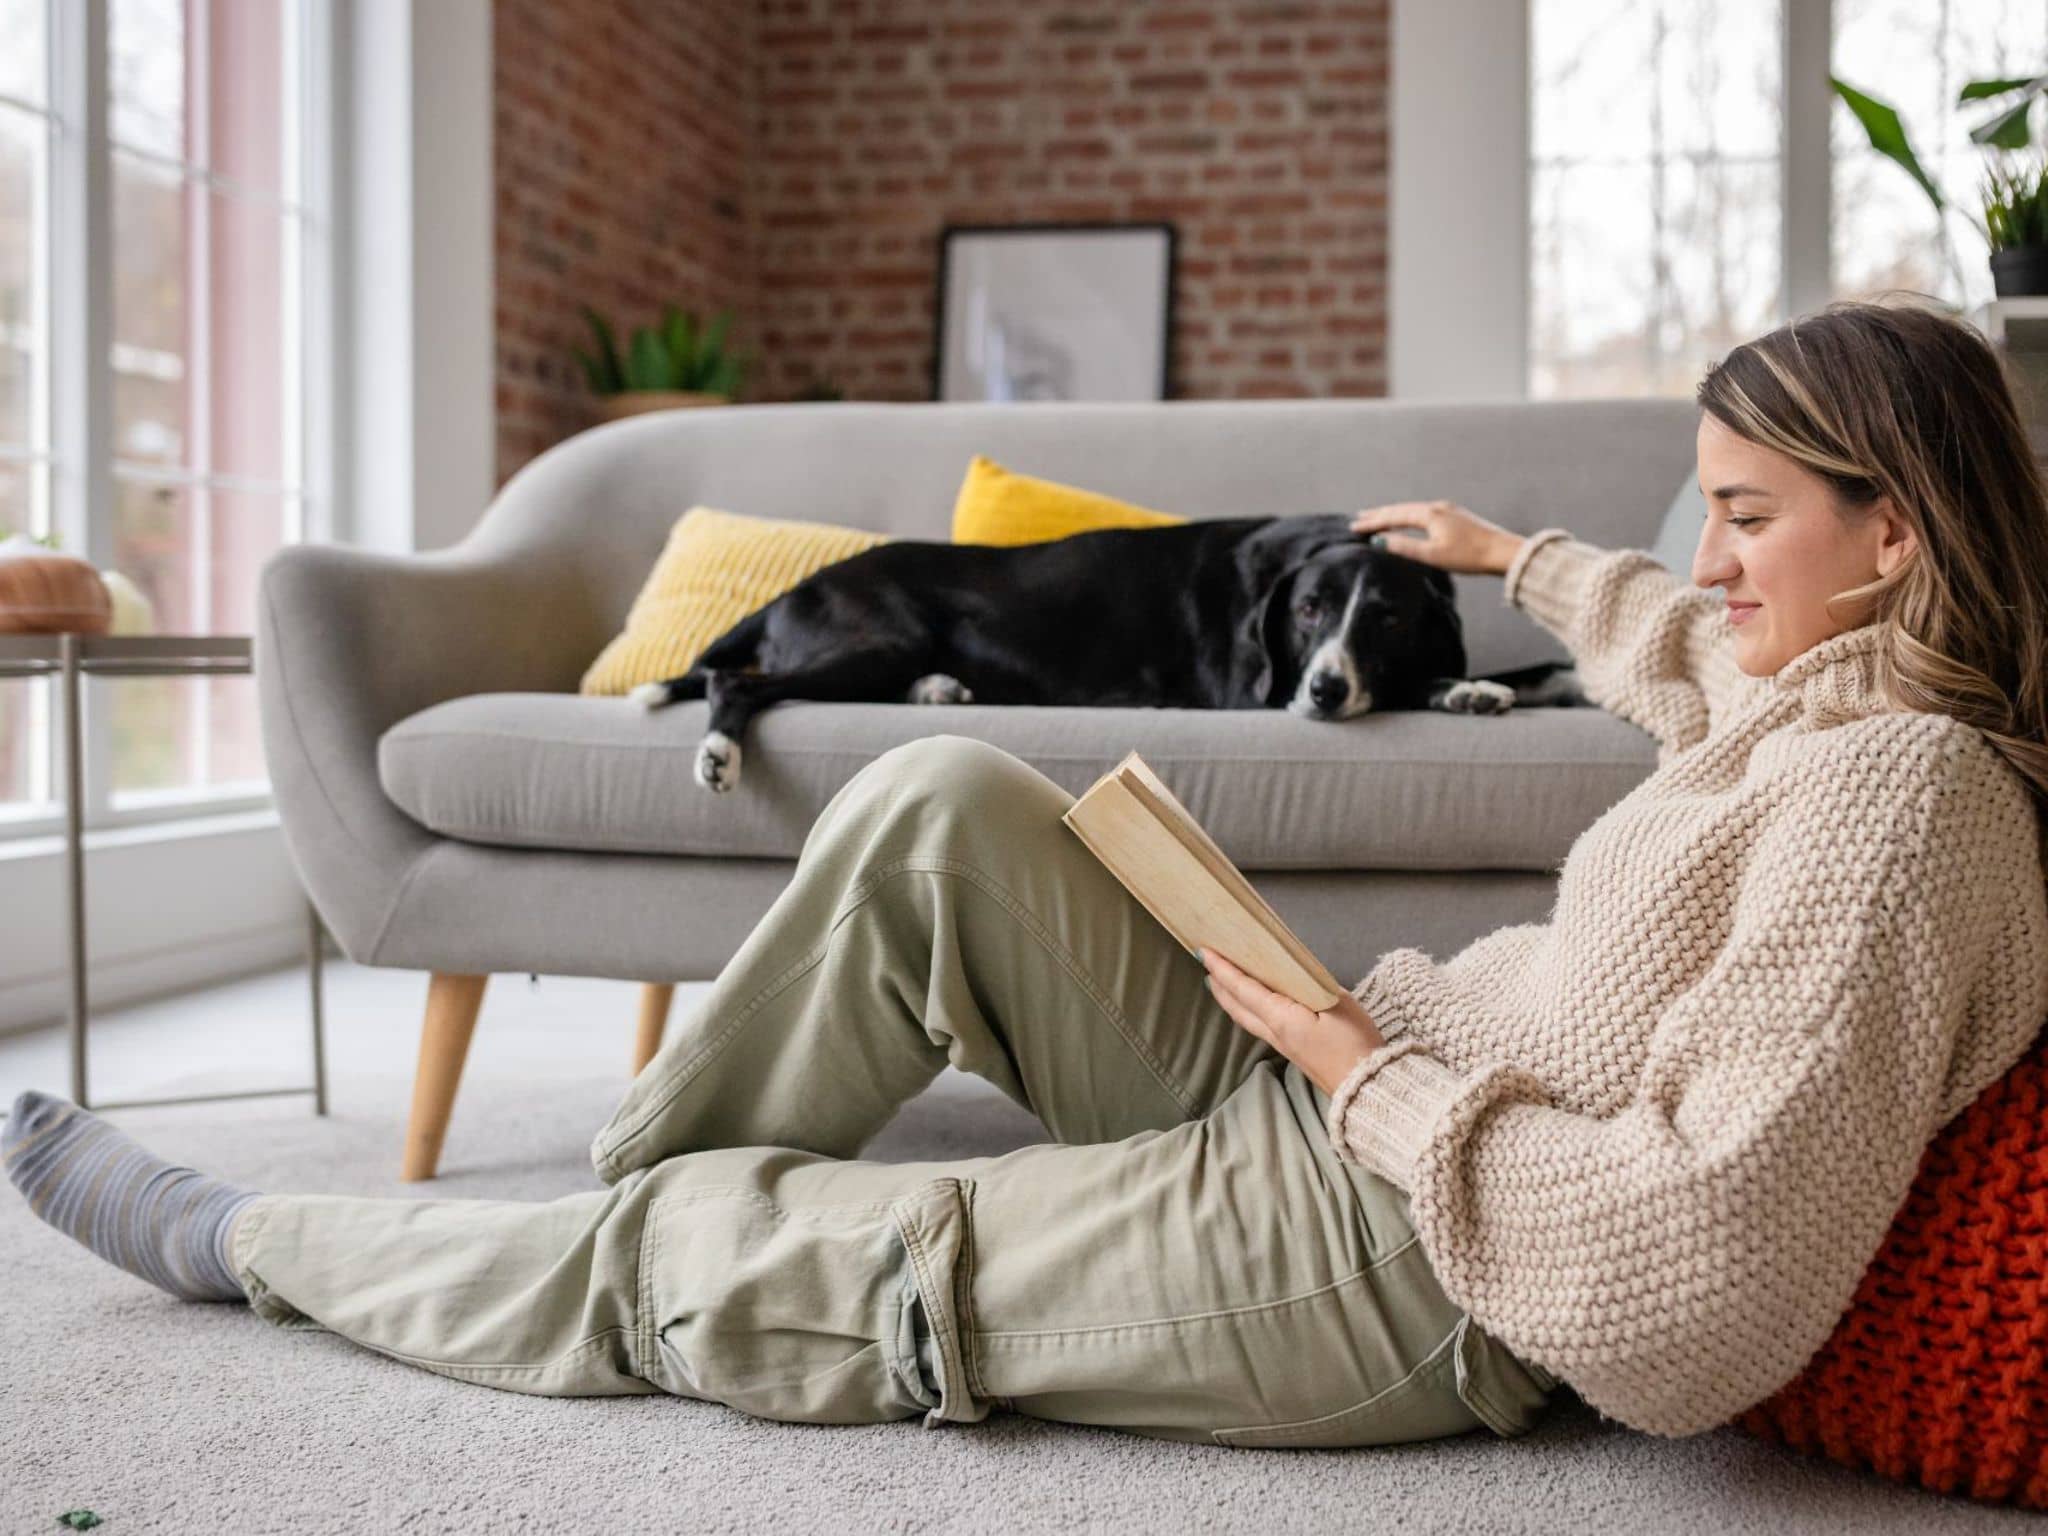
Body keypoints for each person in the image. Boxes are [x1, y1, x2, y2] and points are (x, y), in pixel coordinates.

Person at [7, 295, 2048, 1447]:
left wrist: (1367, 1082)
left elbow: (1697, 1290)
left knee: (791, 1252)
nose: (1700, 562)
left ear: (1895, 535)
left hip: (1419, 1265)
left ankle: (279, 1249)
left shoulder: (1900, 810)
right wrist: (1517, 564)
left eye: (1743, 515)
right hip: (1359, 1096)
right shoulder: (1808, 709)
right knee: (941, 802)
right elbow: (1678, 642)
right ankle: (609, 1224)